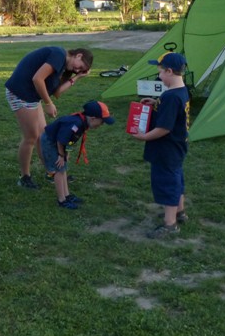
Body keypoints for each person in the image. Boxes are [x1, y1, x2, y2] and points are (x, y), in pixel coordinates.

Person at [5, 46, 93, 189]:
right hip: (20, 93)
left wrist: (77, 77)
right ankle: (24, 177)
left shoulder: (65, 67)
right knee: (31, 137)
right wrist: (48, 103)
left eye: (80, 70)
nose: (77, 70)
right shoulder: (58, 54)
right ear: (78, 55)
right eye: (80, 67)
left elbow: (57, 92)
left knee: (43, 136)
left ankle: (51, 172)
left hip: (31, 97)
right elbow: (37, 79)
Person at [129, 52, 190, 239]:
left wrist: (144, 137)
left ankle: (170, 224)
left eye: (160, 72)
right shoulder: (180, 90)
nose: (159, 76)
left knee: (167, 183)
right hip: (177, 147)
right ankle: (180, 212)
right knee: (176, 177)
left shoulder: (171, 97)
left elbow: (164, 128)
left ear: (170, 71)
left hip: (166, 148)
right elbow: (174, 111)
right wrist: (156, 102)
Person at [40, 100, 115, 209]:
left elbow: (70, 140)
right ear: (93, 118)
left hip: (59, 142)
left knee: (63, 168)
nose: (102, 125)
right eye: (102, 122)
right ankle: (61, 200)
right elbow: (60, 140)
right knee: (59, 169)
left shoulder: (82, 123)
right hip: (50, 141)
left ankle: (67, 195)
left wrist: (66, 154)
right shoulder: (76, 124)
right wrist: (61, 155)